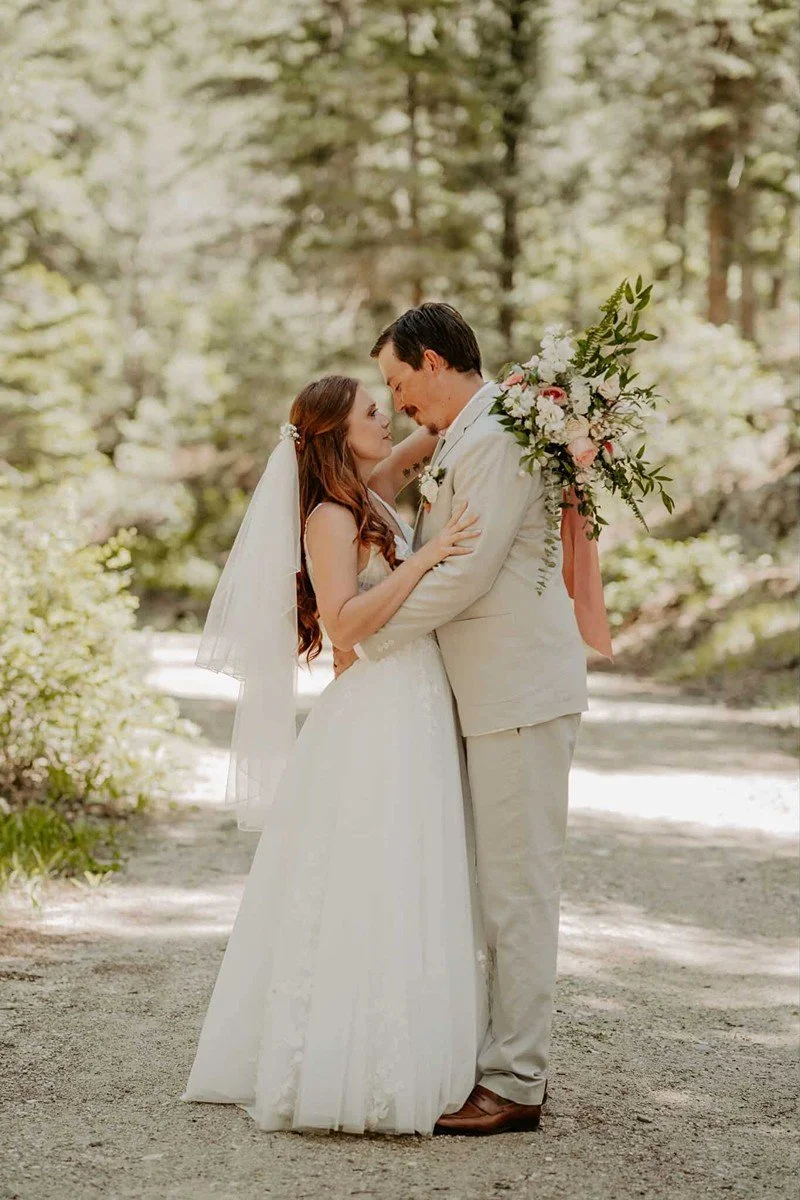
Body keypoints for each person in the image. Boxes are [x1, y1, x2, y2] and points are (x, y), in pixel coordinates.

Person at [181, 373, 489, 1136]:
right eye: (371, 413)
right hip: (375, 710)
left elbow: (428, 442)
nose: (387, 420)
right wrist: (427, 559)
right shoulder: (327, 515)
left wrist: (498, 400)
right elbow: (346, 628)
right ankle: (346, 1067)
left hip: (412, 701)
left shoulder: (370, 491)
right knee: (371, 876)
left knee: (414, 870)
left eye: (386, 407)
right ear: (334, 433)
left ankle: (418, 1050)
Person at [336, 303, 609, 1135]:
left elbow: (466, 576)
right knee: (489, 889)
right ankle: (493, 1058)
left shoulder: (493, 439)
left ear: (430, 359)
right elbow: (386, 495)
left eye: (396, 382)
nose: (396, 400)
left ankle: (517, 1083)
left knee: (518, 892)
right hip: (484, 694)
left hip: (518, 695)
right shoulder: (472, 429)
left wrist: (371, 642)